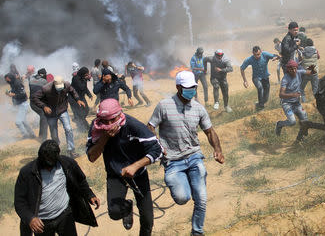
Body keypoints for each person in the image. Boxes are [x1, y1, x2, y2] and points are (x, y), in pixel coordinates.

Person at [148, 71, 224, 236]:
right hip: (173, 161)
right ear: (178, 87)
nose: (192, 91)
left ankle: (197, 232)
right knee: (183, 198)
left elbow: (210, 131)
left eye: (194, 88)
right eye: (188, 88)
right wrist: (157, 146)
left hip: (194, 156)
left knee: (201, 199)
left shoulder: (198, 108)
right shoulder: (164, 106)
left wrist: (217, 150)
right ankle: (184, 184)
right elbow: (150, 126)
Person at [86, 99, 162, 235]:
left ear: (120, 114)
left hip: (138, 173)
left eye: (112, 120)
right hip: (115, 174)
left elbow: (157, 150)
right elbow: (91, 157)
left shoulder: (133, 125)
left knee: (147, 218)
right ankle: (127, 207)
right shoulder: (97, 128)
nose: (109, 124)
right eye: (105, 121)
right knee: (114, 213)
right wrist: (104, 138)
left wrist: (135, 166)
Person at [15, 140, 100, 236]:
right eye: (46, 161)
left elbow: (80, 180)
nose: (48, 166)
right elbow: (19, 201)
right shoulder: (27, 173)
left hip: (65, 215)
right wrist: (30, 218)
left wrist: (90, 195)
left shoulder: (67, 164)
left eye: (51, 161)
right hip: (42, 223)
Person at [32, 76, 85, 158]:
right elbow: (34, 97)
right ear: (54, 84)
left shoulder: (67, 85)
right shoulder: (46, 88)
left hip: (62, 110)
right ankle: (56, 151)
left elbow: (73, 91)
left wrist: (77, 99)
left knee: (68, 129)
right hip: (51, 113)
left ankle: (71, 150)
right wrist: (44, 106)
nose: (59, 89)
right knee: (54, 135)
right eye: (58, 88)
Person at [275, 60, 316, 143]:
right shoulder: (285, 79)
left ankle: (299, 138)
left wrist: (312, 69)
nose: (293, 71)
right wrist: (293, 95)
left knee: (305, 119)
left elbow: (312, 73)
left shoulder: (299, 72)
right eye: (291, 69)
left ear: (296, 68)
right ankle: (279, 124)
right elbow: (281, 94)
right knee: (292, 121)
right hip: (287, 104)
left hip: (297, 103)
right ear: (288, 70)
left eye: (295, 69)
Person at [240, 46, 278, 111]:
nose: (257, 56)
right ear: (252, 53)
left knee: (266, 98)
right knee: (260, 88)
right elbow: (242, 68)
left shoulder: (265, 54)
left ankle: (259, 104)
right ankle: (261, 107)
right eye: (255, 55)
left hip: (265, 77)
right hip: (256, 78)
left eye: (258, 54)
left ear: (261, 52)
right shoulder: (250, 59)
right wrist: (245, 81)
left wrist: (276, 57)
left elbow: (275, 56)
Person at [4, 73, 36, 139]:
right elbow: (15, 91)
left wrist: (12, 95)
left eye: (8, 79)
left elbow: (23, 95)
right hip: (19, 105)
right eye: (6, 80)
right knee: (24, 121)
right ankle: (32, 134)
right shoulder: (12, 83)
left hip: (23, 105)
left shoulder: (17, 83)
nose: (7, 81)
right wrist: (9, 92)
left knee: (18, 122)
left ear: (11, 78)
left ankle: (25, 135)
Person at [69, 67, 93, 132]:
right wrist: (85, 79)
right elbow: (82, 87)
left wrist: (89, 95)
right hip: (74, 99)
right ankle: (83, 128)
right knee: (79, 113)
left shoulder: (83, 78)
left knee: (86, 110)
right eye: (86, 74)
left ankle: (78, 120)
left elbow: (85, 88)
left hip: (81, 97)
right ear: (82, 74)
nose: (87, 75)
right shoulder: (75, 78)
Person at [29, 68, 49, 141]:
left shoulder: (31, 79)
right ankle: (43, 138)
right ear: (43, 75)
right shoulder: (44, 81)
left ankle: (41, 136)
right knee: (44, 116)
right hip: (38, 102)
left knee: (43, 116)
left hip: (32, 103)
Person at [300, 38, 320, 102]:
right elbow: (318, 57)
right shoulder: (316, 51)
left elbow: (300, 60)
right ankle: (317, 103)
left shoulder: (303, 52)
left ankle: (304, 102)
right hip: (314, 72)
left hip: (306, 73)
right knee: (315, 89)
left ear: (306, 44)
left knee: (301, 88)